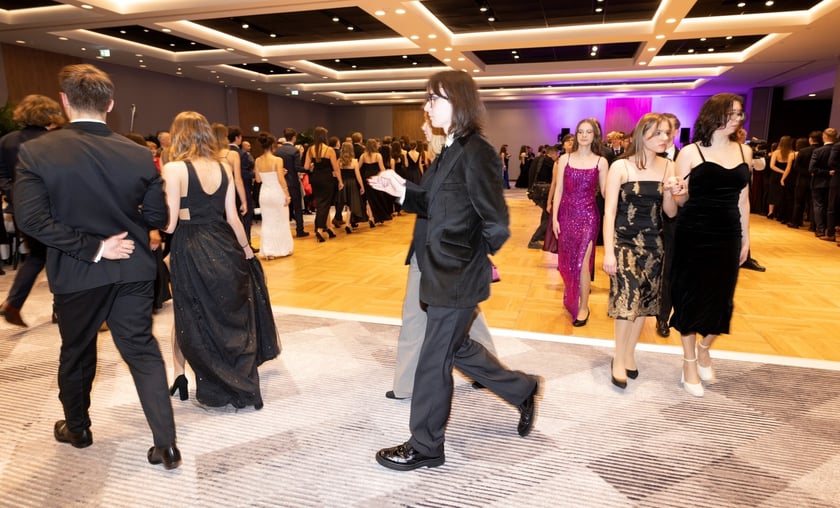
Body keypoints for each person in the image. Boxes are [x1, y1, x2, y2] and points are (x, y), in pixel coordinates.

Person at [370, 70, 539, 472]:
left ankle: (426, 445)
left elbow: (497, 223)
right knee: (456, 348)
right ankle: (522, 388)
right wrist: (402, 190)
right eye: (427, 99)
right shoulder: (450, 148)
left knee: (434, 360)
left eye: (434, 99)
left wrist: (466, 258)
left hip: (456, 274)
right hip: (440, 271)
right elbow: (438, 204)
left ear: (458, 103)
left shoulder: (477, 151)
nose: (426, 107)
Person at [14, 64, 179, 469]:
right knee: (142, 351)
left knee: (77, 351)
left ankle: (78, 429)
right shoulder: (139, 153)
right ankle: (166, 444)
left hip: (78, 272)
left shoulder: (37, 151)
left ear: (64, 101)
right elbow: (156, 216)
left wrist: (94, 248)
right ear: (110, 104)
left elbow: (30, 220)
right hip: (132, 265)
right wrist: (116, 232)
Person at [162, 111, 276, 410]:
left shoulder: (174, 168)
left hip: (190, 247)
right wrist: (247, 251)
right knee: (225, 315)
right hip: (225, 244)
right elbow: (233, 218)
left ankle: (179, 375)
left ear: (179, 135)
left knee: (188, 315)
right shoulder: (223, 166)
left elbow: (170, 225)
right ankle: (232, 375)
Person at [386, 118, 498, 401]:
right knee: (463, 313)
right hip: (433, 250)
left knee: (418, 316)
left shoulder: (454, 162)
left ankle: (407, 384)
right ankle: (487, 370)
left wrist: (403, 190)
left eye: (427, 122)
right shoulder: (441, 161)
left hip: (441, 253)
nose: (423, 127)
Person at [670, 93, 752, 397]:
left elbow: (744, 199)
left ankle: (704, 348)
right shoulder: (690, 152)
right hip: (693, 232)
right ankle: (689, 361)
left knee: (722, 298)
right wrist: (677, 192)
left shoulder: (744, 151)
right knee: (689, 296)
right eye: (731, 113)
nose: (736, 119)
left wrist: (746, 238)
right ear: (713, 115)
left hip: (728, 233)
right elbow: (680, 201)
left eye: (739, 114)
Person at [602, 113, 678, 389]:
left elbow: (670, 212)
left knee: (644, 303)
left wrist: (671, 192)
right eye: (658, 132)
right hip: (624, 243)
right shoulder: (620, 166)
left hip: (654, 245)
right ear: (642, 134)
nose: (664, 138)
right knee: (626, 301)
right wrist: (608, 252)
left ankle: (629, 354)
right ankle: (618, 357)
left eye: (667, 133)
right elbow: (609, 212)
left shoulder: (669, 166)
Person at [0, 94, 65, 326]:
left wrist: (16, 195)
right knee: (59, 256)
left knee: (36, 255)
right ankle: (60, 310)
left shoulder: (6, 140)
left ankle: (13, 302)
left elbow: (2, 176)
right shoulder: (56, 140)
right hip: (52, 208)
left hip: (20, 209)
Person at [550, 118, 609, 326]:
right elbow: (559, 190)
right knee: (567, 263)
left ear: (595, 136)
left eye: (588, 132)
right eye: (581, 131)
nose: (584, 135)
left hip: (588, 217)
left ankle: (584, 306)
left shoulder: (601, 162)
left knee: (582, 263)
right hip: (566, 216)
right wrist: (554, 218)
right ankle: (572, 296)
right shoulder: (564, 159)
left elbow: (606, 192)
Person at [655, 113, 681, 337]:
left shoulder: (685, 157)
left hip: (674, 222)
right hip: (646, 223)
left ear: (676, 132)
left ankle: (662, 317)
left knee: (669, 270)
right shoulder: (646, 157)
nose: (664, 135)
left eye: (668, 130)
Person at [254, 131, 293, 258]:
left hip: (264, 193)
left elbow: (258, 179)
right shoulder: (277, 160)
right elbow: (281, 179)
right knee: (281, 220)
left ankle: (268, 250)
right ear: (272, 145)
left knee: (267, 222)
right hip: (277, 192)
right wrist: (287, 194)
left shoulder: (257, 160)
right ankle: (282, 249)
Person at [304, 126, 342, 242]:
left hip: (315, 178)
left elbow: (306, 167)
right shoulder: (329, 150)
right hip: (327, 179)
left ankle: (329, 228)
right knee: (324, 205)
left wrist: (312, 167)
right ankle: (320, 229)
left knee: (321, 203)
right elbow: (336, 168)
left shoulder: (311, 149)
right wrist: (340, 181)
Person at [275, 128, 309, 238]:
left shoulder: (278, 151)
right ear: (294, 137)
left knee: (283, 208)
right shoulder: (294, 151)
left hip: (281, 182)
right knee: (297, 207)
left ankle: (283, 231)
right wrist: (308, 169)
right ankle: (300, 230)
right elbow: (297, 167)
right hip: (293, 182)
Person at [787, 132, 822, 229]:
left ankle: (796, 222)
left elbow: (796, 167)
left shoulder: (803, 151)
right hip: (817, 180)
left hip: (802, 180)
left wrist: (808, 172)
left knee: (798, 202)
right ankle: (813, 226)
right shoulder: (822, 150)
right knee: (814, 203)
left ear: (810, 139)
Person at [809, 128, 836, 240]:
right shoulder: (837, 150)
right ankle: (829, 230)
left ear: (824, 136)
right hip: (834, 183)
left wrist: (826, 173)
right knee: (830, 207)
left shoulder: (818, 151)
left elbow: (812, 169)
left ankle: (820, 229)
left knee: (818, 206)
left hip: (819, 182)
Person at [335, 141, 367, 233]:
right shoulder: (354, 161)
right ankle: (347, 224)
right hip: (352, 184)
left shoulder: (339, 161)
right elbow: (358, 175)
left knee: (342, 203)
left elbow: (337, 173)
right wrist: (362, 186)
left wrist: (340, 182)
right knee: (351, 205)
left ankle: (340, 220)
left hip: (342, 183)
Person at [767, 136, 794, 221]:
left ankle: (770, 212)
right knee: (783, 195)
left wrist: (781, 171)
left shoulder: (776, 152)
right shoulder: (792, 153)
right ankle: (780, 214)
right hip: (787, 176)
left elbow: (772, 166)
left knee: (772, 193)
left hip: (775, 175)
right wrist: (784, 172)